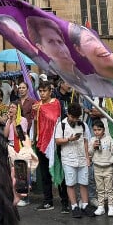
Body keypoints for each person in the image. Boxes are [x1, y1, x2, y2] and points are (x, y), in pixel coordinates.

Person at [54, 103, 92, 219]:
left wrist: (87, 157)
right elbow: (57, 141)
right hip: (68, 158)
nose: (75, 120)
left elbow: (85, 141)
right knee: (70, 183)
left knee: (84, 182)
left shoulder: (83, 125)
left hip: (81, 158)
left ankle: (85, 205)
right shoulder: (62, 125)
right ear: (68, 114)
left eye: (77, 118)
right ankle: (74, 206)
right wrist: (69, 139)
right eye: (73, 117)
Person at [31, 81, 63, 211]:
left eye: (44, 91)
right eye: (40, 91)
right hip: (40, 141)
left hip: (52, 142)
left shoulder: (55, 103)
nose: (42, 93)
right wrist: (33, 137)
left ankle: (65, 201)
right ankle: (47, 200)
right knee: (44, 173)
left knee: (57, 169)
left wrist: (40, 109)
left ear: (50, 91)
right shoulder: (37, 105)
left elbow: (53, 117)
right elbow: (35, 122)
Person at [89, 119, 113, 217]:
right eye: (95, 130)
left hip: (108, 167)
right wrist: (93, 147)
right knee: (99, 188)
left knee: (110, 188)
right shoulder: (92, 140)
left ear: (103, 130)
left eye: (99, 129)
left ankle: (111, 206)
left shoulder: (109, 139)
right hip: (97, 167)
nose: (97, 132)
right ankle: (101, 206)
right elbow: (89, 153)